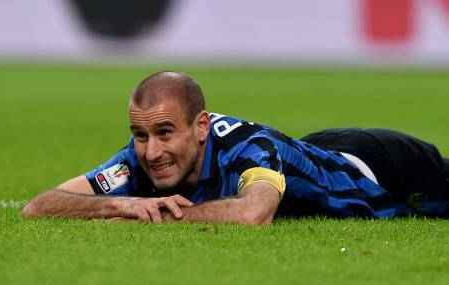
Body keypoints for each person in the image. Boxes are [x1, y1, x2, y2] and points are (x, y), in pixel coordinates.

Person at [22, 71, 449, 225]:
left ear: (201, 126)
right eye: (140, 135)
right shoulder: (137, 159)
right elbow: (40, 205)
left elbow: (254, 212)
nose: (151, 152)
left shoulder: (247, 147)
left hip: (375, 164)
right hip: (308, 150)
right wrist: (121, 205)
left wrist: (157, 218)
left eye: (166, 134)